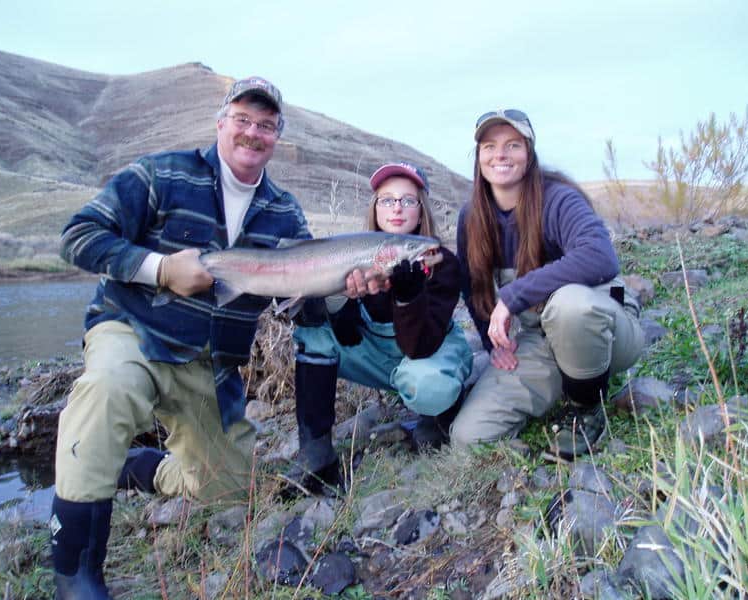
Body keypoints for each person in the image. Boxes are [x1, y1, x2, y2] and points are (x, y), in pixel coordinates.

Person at [50, 77, 336, 599]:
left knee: (234, 495)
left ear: (278, 137)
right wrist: (159, 268)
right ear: (221, 122)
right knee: (107, 389)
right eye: (243, 120)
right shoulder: (162, 173)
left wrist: (345, 286)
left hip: (212, 367)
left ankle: (143, 468)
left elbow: (305, 309)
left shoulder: (284, 212)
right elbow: (79, 236)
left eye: (266, 125)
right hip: (132, 331)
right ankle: (74, 570)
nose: (253, 133)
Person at [451, 109, 644, 459]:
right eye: (490, 146)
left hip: (605, 334)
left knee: (570, 306)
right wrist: (492, 343)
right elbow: (472, 288)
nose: (501, 155)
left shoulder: (558, 199)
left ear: (530, 152)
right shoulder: (471, 218)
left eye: (513, 145)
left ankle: (587, 406)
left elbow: (601, 256)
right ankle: (556, 394)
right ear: (478, 157)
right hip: (539, 342)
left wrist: (512, 297)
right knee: (468, 438)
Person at [286, 162, 473, 494]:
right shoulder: (354, 256)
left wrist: (407, 294)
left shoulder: (439, 260)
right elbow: (346, 335)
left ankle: (439, 416)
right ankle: (316, 457)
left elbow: (420, 347)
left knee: (426, 383)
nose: (397, 208)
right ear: (375, 208)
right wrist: (339, 297)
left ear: (421, 210)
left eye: (408, 200)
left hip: (426, 352)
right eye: (387, 200)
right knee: (311, 332)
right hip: (378, 357)